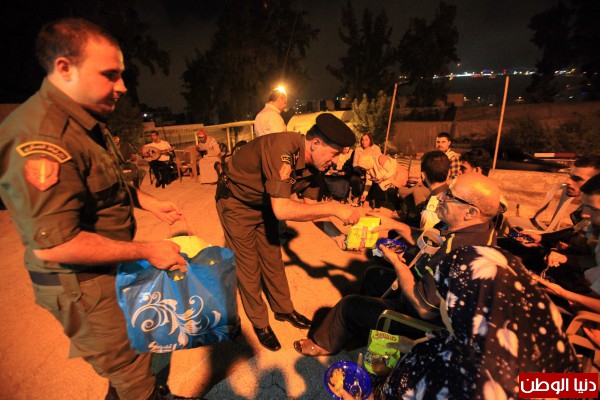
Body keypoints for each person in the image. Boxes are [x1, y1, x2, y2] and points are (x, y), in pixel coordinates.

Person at [0, 18, 195, 400]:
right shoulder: (43, 137)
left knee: (132, 351)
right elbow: (55, 246)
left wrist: (150, 203)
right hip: (83, 284)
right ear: (64, 69)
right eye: (110, 74)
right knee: (132, 369)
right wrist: (148, 250)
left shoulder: (87, 121)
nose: (122, 86)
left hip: (109, 268)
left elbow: (109, 181)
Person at [294, 173, 501, 356]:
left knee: (348, 306)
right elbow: (428, 240)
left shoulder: (458, 253)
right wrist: (394, 224)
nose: (441, 197)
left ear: (471, 212)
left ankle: (322, 344)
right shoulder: (476, 228)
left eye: (450, 195)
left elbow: (423, 308)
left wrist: (395, 261)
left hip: (428, 322)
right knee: (373, 275)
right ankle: (369, 330)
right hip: (425, 288)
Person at [216, 113, 361, 352]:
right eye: (334, 154)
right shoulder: (282, 149)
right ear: (315, 143)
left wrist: (337, 237)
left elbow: (312, 208)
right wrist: (335, 207)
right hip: (237, 204)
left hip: (266, 205)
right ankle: (260, 323)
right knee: (249, 268)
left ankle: (283, 309)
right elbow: (282, 210)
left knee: (272, 259)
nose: (335, 162)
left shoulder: (315, 167)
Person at [368, 246, 580, 400]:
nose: (442, 306)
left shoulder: (438, 371)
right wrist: (414, 345)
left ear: (463, 308)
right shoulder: (561, 360)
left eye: (444, 299)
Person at [416, 150, 450, 231]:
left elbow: (427, 238)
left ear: (423, 175)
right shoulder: (457, 196)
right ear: (449, 173)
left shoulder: (430, 211)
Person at [349, 133, 381, 204]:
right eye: (362, 140)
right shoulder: (358, 149)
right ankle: (357, 196)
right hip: (360, 170)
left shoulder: (376, 148)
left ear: (370, 140)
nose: (364, 142)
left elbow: (378, 161)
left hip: (373, 169)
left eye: (366, 140)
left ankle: (368, 198)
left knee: (375, 180)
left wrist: (373, 171)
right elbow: (355, 164)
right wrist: (361, 173)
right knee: (354, 179)